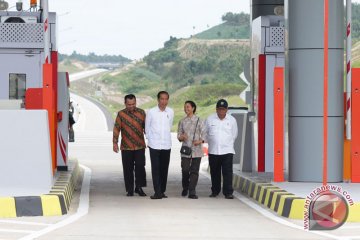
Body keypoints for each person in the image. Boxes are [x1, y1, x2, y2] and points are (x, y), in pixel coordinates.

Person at [113, 94, 147, 197]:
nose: (131, 106)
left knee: (140, 167)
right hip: (126, 146)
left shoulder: (142, 113)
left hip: (140, 146)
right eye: (129, 104)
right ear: (125, 103)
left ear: (136, 103)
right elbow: (116, 128)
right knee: (127, 168)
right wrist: (115, 142)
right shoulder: (121, 114)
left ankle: (139, 187)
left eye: (133, 104)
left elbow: (147, 128)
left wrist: (152, 139)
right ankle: (130, 189)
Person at [206, 99, 238, 199]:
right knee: (214, 172)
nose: (221, 111)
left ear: (227, 110)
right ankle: (215, 191)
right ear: (216, 109)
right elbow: (205, 133)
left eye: (223, 109)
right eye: (219, 109)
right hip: (213, 151)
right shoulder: (210, 119)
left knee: (227, 173)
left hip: (227, 151)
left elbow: (234, 134)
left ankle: (228, 192)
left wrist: (226, 143)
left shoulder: (232, 120)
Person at [145, 91, 174, 199]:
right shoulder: (151, 112)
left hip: (166, 144)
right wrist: (150, 139)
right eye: (162, 99)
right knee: (156, 168)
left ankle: (162, 191)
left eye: (166, 99)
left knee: (164, 169)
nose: (164, 101)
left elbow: (169, 125)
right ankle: (157, 192)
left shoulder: (170, 112)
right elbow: (147, 128)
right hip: (154, 144)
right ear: (158, 100)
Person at [177, 101, 206, 199]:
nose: (186, 109)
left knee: (194, 171)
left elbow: (205, 134)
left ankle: (192, 191)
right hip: (185, 150)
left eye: (188, 107)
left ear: (193, 108)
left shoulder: (199, 120)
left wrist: (200, 141)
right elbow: (178, 135)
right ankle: (185, 187)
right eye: (185, 107)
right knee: (185, 170)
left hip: (197, 150)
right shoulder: (182, 121)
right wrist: (181, 137)